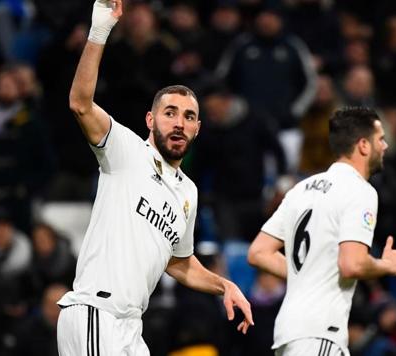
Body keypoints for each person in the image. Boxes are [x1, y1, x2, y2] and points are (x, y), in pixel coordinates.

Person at [56, 1, 253, 355]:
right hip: (96, 313)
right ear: (150, 120)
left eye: (189, 116)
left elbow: (179, 263)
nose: (179, 122)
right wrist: (100, 29)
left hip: (131, 325)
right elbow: (80, 103)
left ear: (197, 129)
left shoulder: (188, 193)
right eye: (170, 113)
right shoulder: (126, 151)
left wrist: (224, 286)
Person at [247, 107, 396, 356]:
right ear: (364, 145)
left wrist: (310, 275)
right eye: (381, 139)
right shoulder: (360, 190)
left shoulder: (301, 188)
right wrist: (386, 265)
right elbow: (351, 265)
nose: (385, 146)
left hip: (290, 331)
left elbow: (258, 252)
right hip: (320, 331)